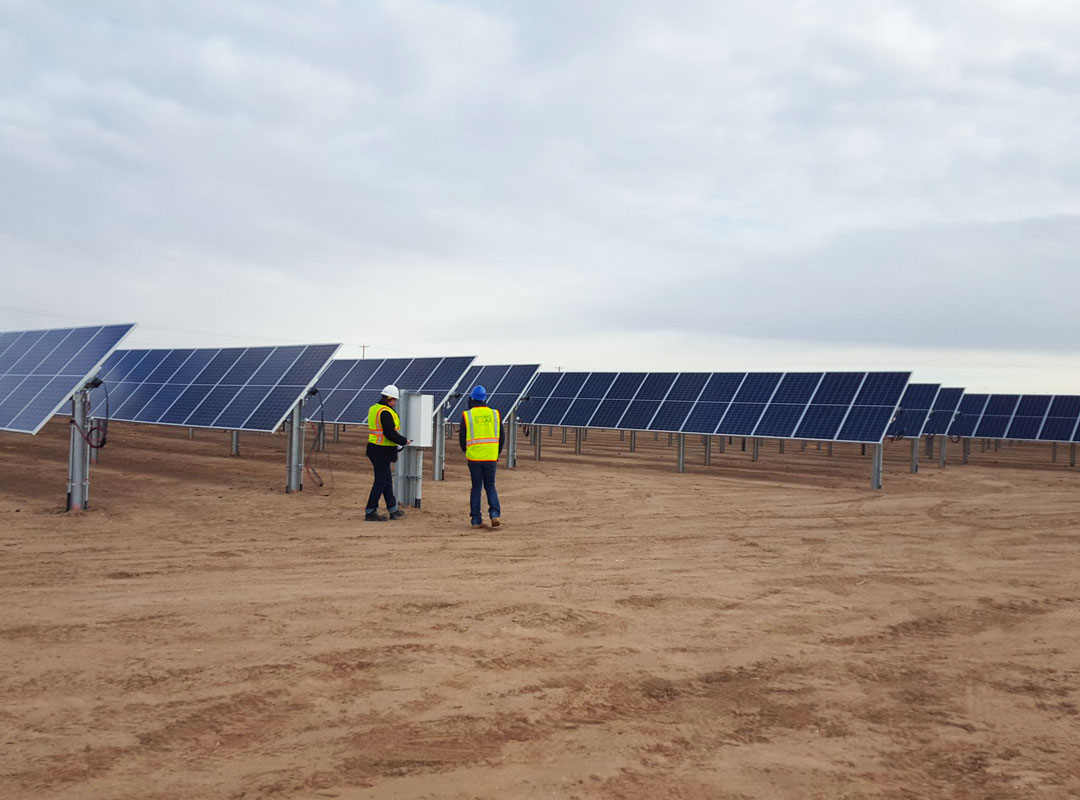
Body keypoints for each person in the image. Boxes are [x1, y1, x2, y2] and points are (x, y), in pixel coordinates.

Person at [459, 385, 504, 529]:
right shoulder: (495, 414)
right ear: (485, 399)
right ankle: (495, 514)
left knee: (476, 487)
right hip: (491, 456)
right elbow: (502, 436)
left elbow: (462, 438)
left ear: (472, 398)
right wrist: (496, 453)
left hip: (474, 457)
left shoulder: (467, 415)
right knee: (490, 485)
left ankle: (476, 520)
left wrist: (467, 452)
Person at [365, 384, 410, 522]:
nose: (395, 403)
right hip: (381, 450)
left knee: (386, 480)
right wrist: (404, 441)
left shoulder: (374, 408)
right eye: (394, 400)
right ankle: (370, 510)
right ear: (390, 399)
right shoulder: (385, 412)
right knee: (381, 481)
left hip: (376, 448)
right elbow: (389, 433)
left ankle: (393, 509)